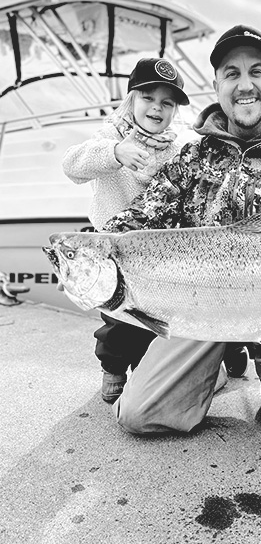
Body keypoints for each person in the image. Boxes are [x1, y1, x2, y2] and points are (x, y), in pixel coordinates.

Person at [101, 25, 261, 438]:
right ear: (217, 85)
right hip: (199, 305)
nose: (245, 85)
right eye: (231, 73)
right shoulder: (191, 156)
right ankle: (215, 371)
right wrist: (101, 250)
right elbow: (143, 216)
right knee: (136, 416)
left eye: (256, 71)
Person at [63, 58, 189, 403]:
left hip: (156, 259)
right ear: (131, 98)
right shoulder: (111, 136)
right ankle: (113, 368)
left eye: (167, 103)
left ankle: (152, 369)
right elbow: (72, 165)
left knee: (152, 319)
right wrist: (115, 153)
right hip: (112, 257)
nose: (156, 108)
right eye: (148, 97)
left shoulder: (175, 150)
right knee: (118, 321)